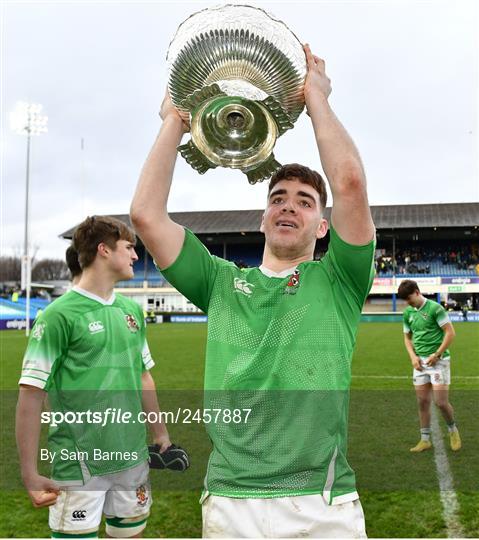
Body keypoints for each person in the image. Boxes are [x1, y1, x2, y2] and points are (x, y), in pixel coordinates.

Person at [131, 43, 375, 538]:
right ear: (263, 216)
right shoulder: (220, 281)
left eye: (305, 202)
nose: (289, 207)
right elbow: (146, 217)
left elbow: (348, 184)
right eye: (278, 198)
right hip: (232, 501)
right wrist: (174, 120)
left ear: (323, 226)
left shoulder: (341, 280)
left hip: (322, 505)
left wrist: (316, 99)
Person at [16, 216, 176, 539]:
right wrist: (30, 473)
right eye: (130, 248)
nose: (135, 256)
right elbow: (30, 395)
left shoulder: (131, 313)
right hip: (79, 465)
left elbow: (144, 377)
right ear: (103, 250)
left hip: (132, 458)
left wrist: (161, 436)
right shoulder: (58, 315)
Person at [397, 280, 461, 453]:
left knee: (440, 402)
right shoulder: (408, 313)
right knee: (423, 402)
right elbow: (407, 338)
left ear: (417, 292)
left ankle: (453, 430)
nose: (407, 303)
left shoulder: (435, 309)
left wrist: (437, 354)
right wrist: (413, 357)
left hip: (439, 362)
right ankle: (425, 439)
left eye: (409, 298)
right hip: (420, 363)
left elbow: (450, 332)